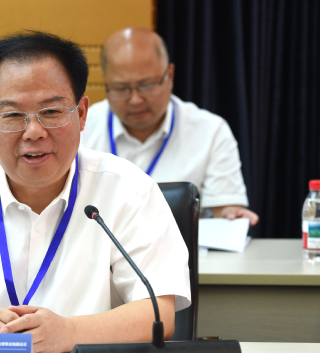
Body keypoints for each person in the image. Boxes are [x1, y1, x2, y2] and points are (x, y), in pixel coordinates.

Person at [0, 31, 190, 353]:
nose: (34, 132)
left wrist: (69, 333)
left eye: (51, 112)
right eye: (13, 115)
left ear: (82, 114)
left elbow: (158, 312)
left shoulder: (129, 191)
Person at [81, 27, 259, 225]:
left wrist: (231, 217)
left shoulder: (210, 132)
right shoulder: (81, 130)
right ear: (106, 81)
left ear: (170, 75)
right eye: (121, 88)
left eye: (146, 85)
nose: (135, 99)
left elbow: (224, 212)